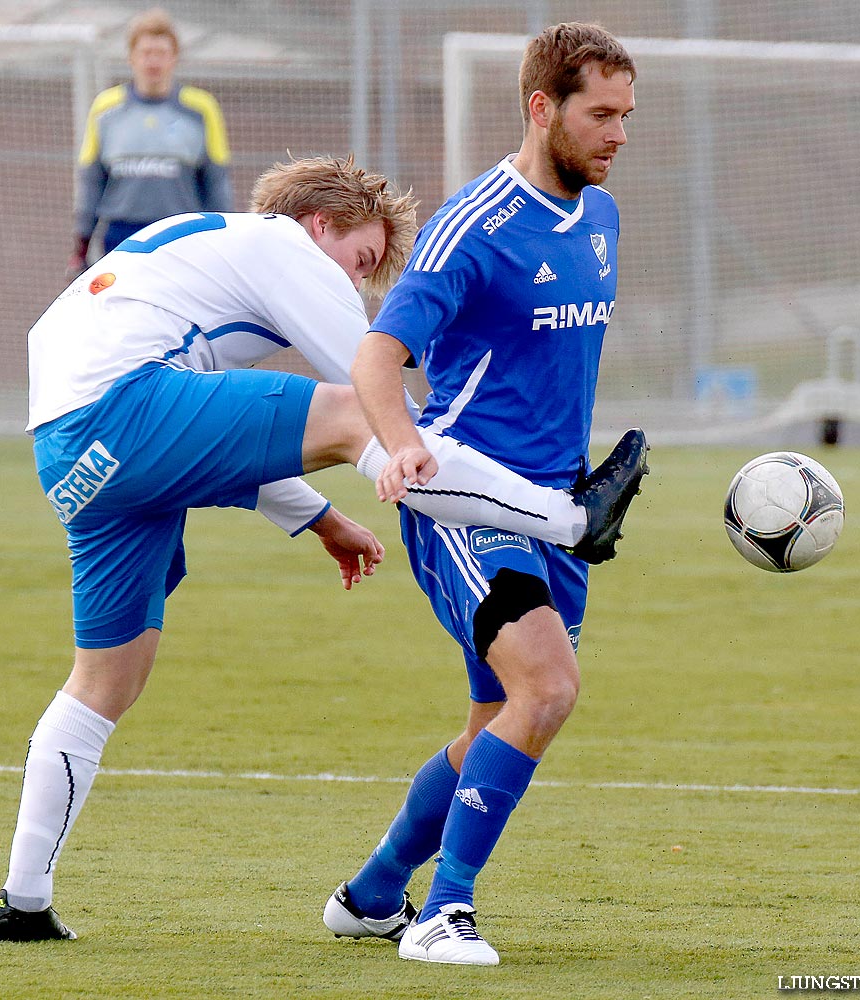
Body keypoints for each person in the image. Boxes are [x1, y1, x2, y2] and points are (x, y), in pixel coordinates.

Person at [0, 153, 644, 943]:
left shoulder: (202, 256)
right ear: (319, 223)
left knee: (104, 681)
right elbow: (373, 397)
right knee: (363, 417)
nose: (360, 283)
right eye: (363, 259)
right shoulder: (284, 247)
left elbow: (212, 440)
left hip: (71, 452)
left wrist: (320, 519)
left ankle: (22, 902)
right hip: (120, 410)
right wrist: (525, 498)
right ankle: (574, 518)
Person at [323, 23, 642, 966]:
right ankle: (441, 916)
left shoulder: (603, 219)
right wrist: (403, 446)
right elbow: (378, 356)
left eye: (627, 116)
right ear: (542, 108)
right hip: (465, 503)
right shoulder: (476, 225)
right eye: (601, 115)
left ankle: (375, 891)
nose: (619, 134)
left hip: (558, 515)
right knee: (548, 689)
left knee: (495, 723)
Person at [68, 7, 233, 277]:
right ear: (132, 57)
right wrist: (81, 244)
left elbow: (216, 181)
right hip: (121, 234)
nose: (153, 62)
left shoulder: (201, 108)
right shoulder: (106, 108)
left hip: (181, 234)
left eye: (161, 53)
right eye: (146, 53)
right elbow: (91, 179)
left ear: (174, 58)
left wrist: (223, 238)